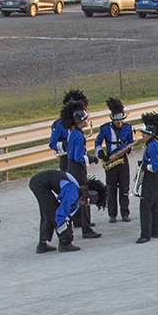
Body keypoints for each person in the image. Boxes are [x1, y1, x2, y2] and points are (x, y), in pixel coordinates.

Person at [29, 170, 106, 253]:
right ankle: (64, 244)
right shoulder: (72, 195)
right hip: (39, 183)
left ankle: (42, 245)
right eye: (86, 202)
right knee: (54, 212)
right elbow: (59, 215)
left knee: (48, 212)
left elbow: (68, 216)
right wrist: (66, 235)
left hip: (39, 181)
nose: (84, 205)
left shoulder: (76, 190)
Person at [60, 100, 101, 240]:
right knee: (83, 197)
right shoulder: (78, 136)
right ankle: (86, 228)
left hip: (71, 166)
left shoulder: (72, 133)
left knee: (76, 197)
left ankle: (77, 226)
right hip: (77, 168)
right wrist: (91, 159)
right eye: (85, 119)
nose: (87, 121)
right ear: (79, 121)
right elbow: (78, 157)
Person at [94, 97, 134, 223]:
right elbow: (98, 142)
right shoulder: (105, 128)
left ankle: (125, 213)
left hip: (123, 160)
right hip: (110, 160)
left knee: (124, 188)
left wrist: (128, 149)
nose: (119, 124)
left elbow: (130, 141)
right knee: (111, 189)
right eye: (117, 122)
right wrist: (101, 153)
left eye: (121, 121)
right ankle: (112, 214)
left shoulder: (128, 128)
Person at [136, 112, 158, 244]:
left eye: (144, 133)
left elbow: (155, 166)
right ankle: (155, 231)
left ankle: (145, 234)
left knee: (145, 206)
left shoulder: (152, 146)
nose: (142, 135)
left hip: (152, 178)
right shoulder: (156, 143)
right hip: (157, 179)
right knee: (154, 205)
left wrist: (144, 166)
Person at [48, 88, 88, 172]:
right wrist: (67, 146)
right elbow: (52, 143)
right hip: (67, 159)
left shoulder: (79, 125)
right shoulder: (59, 124)